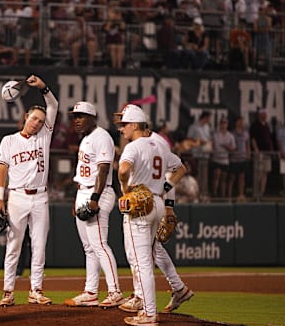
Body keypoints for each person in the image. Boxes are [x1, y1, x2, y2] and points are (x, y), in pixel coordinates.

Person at [115, 105, 192, 325]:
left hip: (139, 205)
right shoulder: (160, 146)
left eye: (124, 125)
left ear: (133, 125)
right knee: (146, 257)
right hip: (157, 202)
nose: (121, 129)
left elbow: (122, 171)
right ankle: (153, 301)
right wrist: (166, 187)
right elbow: (181, 168)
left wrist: (124, 188)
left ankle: (149, 313)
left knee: (142, 263)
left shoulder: (134, 147)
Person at [0, 75, 57, 307]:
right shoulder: (9, 141)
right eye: (34, 119)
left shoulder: (44, 137)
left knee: (39, 246)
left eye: (41, 121)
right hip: (17, 196)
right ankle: (8, 291)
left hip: (40, 196)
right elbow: (2, 170)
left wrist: (42, 87)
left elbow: (53, 105)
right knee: (14, 246)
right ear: (25, 117)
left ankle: (36, 290)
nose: (37, 123)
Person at [64, 102, 126, 309]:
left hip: (99, 192)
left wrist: (94, 198)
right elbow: (85, 171)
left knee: (99, 244)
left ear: (93, 117)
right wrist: (78, 197)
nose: (77, 120)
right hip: (84, 190)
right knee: (89, 248)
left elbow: (103, 170)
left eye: (81, 116)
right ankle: (91, 292)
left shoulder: (102, 137)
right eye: (75, 116)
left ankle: (115, 291)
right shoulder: (86, 139)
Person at [250, 108, 275, 199]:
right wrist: (256, 149)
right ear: (259, 115)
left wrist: (271, 149)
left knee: (265, 172)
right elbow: (252, 138)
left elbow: (270, 138)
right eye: (263, 114)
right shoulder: (255, 125)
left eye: (265, 114)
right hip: (260, 153)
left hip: (267, 152)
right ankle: (256, 191)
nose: (265, 116)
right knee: (258, 173)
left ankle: (262, 191)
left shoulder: (267, 125)